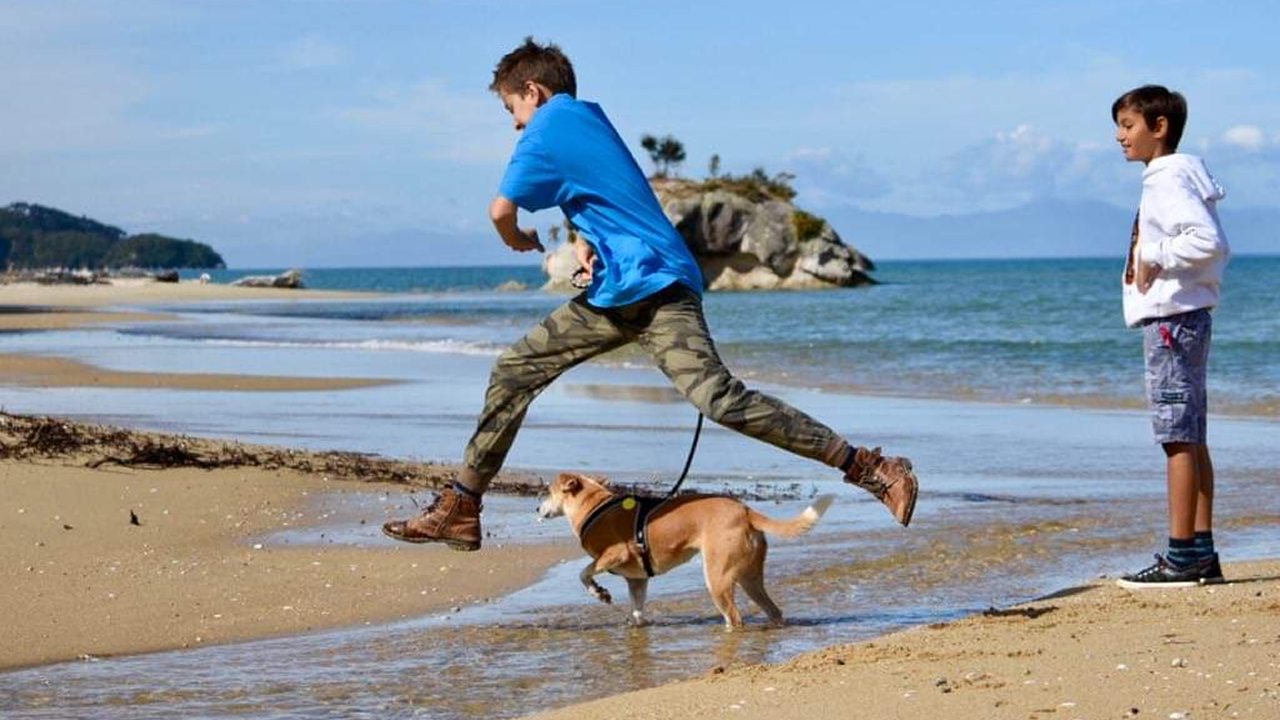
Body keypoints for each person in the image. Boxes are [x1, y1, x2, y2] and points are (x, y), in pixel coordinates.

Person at [382, 37, 919, 551]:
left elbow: (500, 213)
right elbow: (608, 189)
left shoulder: (546, 127)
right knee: (517, 369)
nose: (515, 124)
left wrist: (517, 238)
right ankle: (461, 507)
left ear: (534, 93)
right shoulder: (588, 119)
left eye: (511, 110)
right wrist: (587, 238)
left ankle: (871, 468)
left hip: (657, 289)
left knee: (718, 398)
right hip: (621, 292)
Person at [1111, 85, 1230, 588]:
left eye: (1128, 126)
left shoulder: (1167, 178)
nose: (1119, 137)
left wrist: (1154, 256)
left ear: (1159, 128)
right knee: (1191, 436)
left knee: (1177, 439)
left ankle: (1181, 556)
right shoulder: (1169, 176)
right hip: (1183, 318)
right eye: (1117, 127)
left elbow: (1208, 241)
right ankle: (1201, 553)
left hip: (1171, 324)